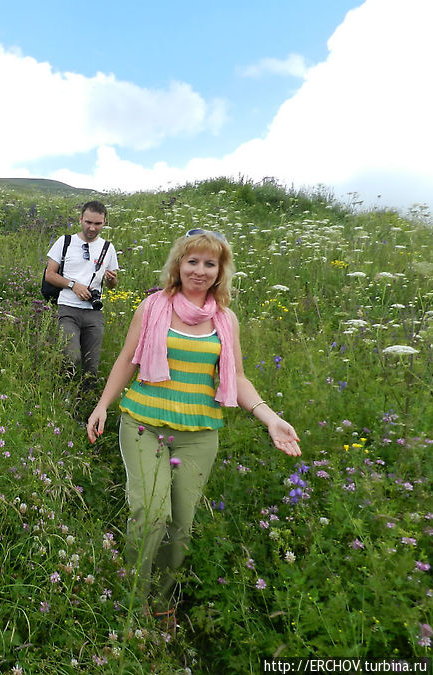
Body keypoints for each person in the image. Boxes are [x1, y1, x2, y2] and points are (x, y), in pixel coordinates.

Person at [86, 228, 301, 628]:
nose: (199, 270)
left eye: (209, 263)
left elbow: (236, 377)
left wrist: (270, 418)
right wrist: (102, 406)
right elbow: (127, 360)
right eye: (192, 261)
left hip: (200, 433)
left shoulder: (225, 319)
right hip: (144, 424)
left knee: (180, 526)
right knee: (150, 515)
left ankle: (163, 598)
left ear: (220, 271)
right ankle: (133, 595)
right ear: (178, 265)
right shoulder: (152, 307)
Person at [43, 201, 119, 390]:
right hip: (67, 307)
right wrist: (72, 285)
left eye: (98, 224)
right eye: (88, 222)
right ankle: (62, 395)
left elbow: (113, 284)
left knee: (91, 366)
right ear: (80, 219)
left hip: (94, 311)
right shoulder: (65, 241)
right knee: (71, 357)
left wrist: (111, 280)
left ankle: (84, 405)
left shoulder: (108, 248)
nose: (92, 228)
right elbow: (49, 274)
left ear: (104, 222)